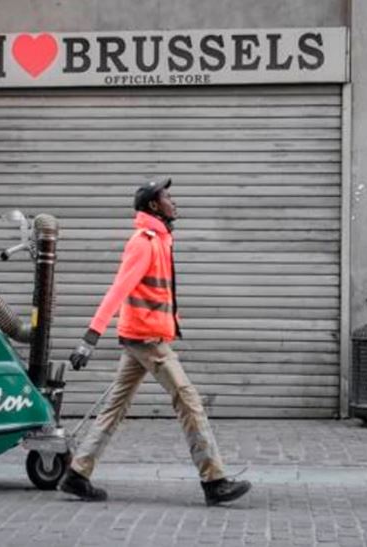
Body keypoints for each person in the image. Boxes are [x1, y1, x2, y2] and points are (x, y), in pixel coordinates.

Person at [59, 177, 251, 506]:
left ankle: (77, 475)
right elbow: (118, 289)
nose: (174, 202)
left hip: (146, 335)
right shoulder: (143, 242)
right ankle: (214, 479)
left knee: (115, 407)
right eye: (167, 197)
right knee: (187, 399)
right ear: (153, 206)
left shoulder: (161, 239)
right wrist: (89, 338)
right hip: (145, 338)